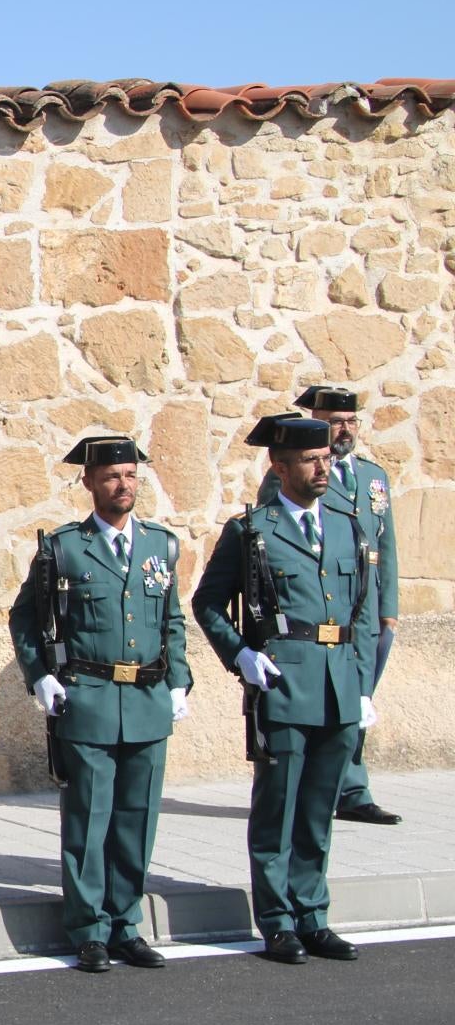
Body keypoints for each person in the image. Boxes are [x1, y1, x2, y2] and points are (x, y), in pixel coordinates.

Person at [193, 415, 376, 963]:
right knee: (279, 806)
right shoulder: (253, 531)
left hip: (339, 683)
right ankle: (277, 920)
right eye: (310, 460)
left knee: (319, 808)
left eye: (325, 458)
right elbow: (207, 603)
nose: (323, 468)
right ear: (280, 466)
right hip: (284, 682)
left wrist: (364, 682)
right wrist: (242, 654)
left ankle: (313, 913)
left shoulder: (348, 524)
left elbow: (362, 609)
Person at [7, 436, 193, 974]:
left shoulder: (161, 546)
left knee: (137, 819)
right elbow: (25, 618)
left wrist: (179, 680)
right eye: (111, 476)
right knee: (89, 820)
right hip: (87, 700)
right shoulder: (63, 549)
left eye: (131, 475)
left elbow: (171, 621)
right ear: (88, 483)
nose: (123, 484)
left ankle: (125, 922)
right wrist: (39, 674)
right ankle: (88, 927)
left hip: (147, 699)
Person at [257, 386, 399, 825]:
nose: (344, 430)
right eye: (334, 422)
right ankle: (342, 790)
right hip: (319, 608)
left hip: (366, 607)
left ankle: (351, 786)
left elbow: (386, 545)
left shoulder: (373, 476)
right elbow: (271, 547)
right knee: (335, 704)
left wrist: (389, 605)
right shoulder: (292, 478)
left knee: (359, 699)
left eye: (350, 422)